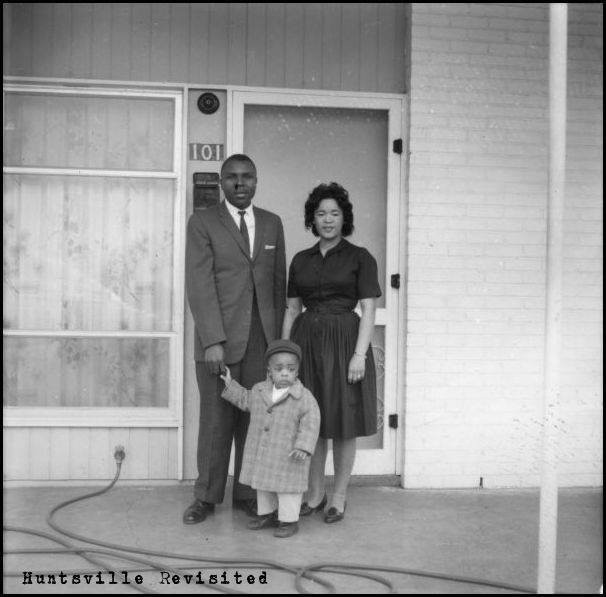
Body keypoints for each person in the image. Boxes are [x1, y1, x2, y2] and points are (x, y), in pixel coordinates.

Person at [183, 154, 286, 524]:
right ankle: (206, 497)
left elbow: (278, 286)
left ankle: (246, 493)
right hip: (220, 342)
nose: (240, 184)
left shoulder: (273, 223)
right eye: (232, 178)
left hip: (261, 340)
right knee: (216, 420)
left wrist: (276, 344)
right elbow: (199, 285)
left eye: (247, 177)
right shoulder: (203, 222)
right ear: (221, 183)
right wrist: (212, 340)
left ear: (257, 181)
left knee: (255, 418)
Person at [282, 182, 381, 524]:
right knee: (311, 421)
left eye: (334, 213)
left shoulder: (360, 258)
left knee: (343, 423)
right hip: (308, 343)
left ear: (344, 218)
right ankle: (314, 494)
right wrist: (283, 356)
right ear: (313, 218)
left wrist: (359, 355)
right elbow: (292, 310)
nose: (327, 220)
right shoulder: (301, 260)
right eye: (321, 213)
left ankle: (338, 496)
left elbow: (368, 309)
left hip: (345, 344)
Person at [220, 339, 321, 538]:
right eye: (279, 368)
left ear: (297, 371)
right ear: (269, 370)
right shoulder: (259, 391)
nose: (285, 373)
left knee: (288, 491)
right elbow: (245, 399)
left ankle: (289, 521)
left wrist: (304, 446)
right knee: (264, 487)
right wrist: (229, 384)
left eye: (290, 369)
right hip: (265, 453)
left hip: (289, 455)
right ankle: (266, 515)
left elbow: (312, 422)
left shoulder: (304, 397)